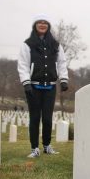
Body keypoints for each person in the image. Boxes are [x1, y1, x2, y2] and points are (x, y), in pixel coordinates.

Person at [17, 14, 69, 158]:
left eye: (45, 23)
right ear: (35, 25)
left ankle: (46, 146)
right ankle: (34, 148)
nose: (42, 25)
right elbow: (23, 65)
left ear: (48, 26)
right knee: (35, 118)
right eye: (39, 22)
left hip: (50, 87)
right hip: (33, 87)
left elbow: (62, 63)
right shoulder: (27, 44)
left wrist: (64, 79)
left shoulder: (56, 45)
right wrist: (26, 82)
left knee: (47, 118)